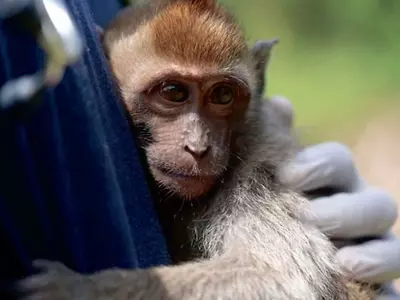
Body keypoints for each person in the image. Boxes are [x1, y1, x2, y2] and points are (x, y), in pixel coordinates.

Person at [0, 0, 399, 299]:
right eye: (172, 93)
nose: (198, 142)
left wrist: (103, 292)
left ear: (258, 78)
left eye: (223, 95)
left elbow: (284, 280)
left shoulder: (255, 151)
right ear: (106, 69)